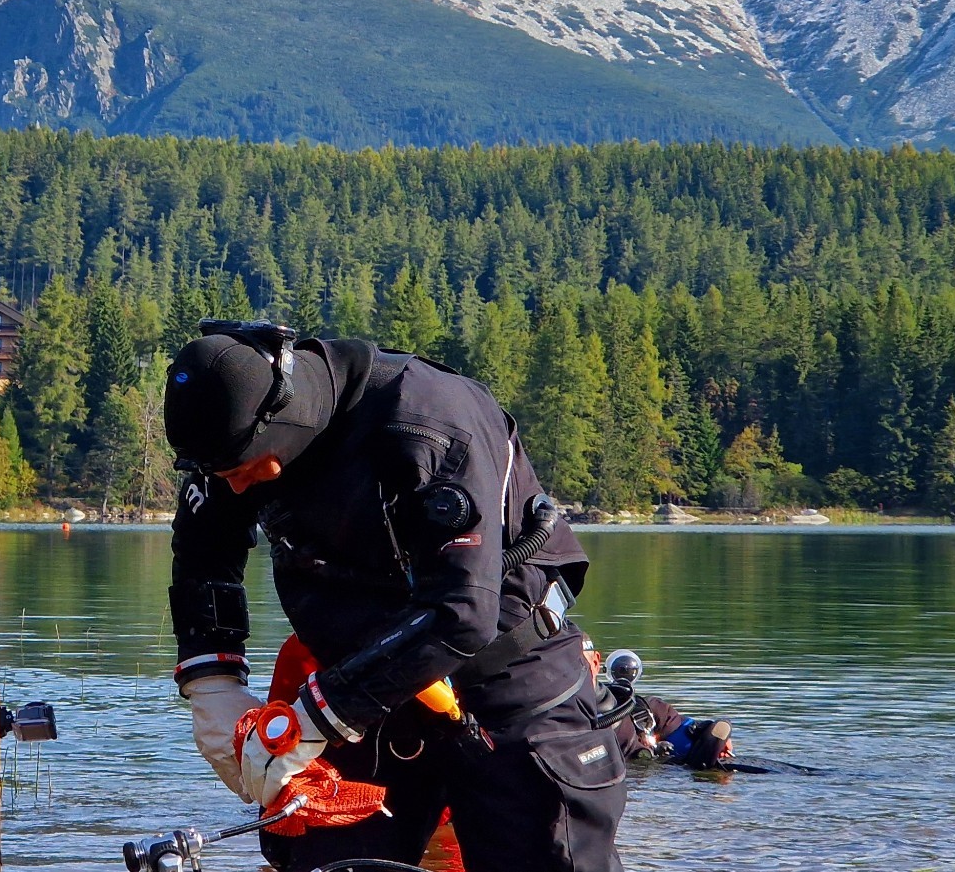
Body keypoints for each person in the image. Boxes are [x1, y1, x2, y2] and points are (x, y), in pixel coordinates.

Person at [161, 321, 626, 872]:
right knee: (322, 861)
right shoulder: (225, 442)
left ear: (281, 423)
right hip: (361, 687)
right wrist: (212, 683)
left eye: (241, 473)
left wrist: (312, 718)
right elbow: (204, 554)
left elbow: (461, 615)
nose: (235, 488)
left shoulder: (428, 423)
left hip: (507, 681)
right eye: (222, 476)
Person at [585, 641, 735, 768]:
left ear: (598, 665)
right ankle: (704, 749)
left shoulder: (650, 708)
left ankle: (705, 746)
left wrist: (708, 734)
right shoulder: (649, 707)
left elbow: (684, 728)